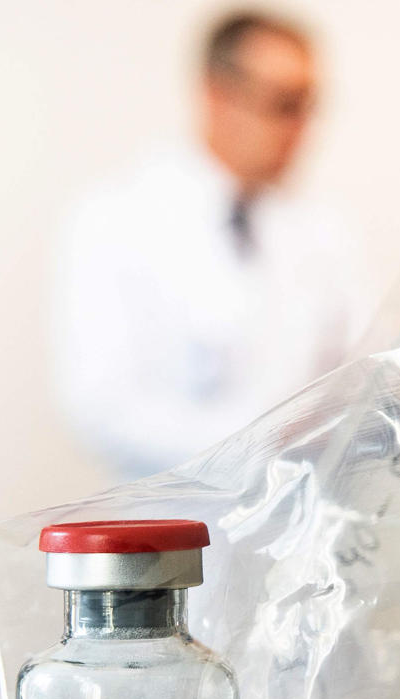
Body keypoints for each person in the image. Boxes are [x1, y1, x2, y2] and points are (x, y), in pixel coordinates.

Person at [54, 9, 364, 478]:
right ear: (217, 95)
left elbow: (362, 364)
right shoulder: (113, 221)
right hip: (178, 514)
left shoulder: (322, 229)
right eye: (283, 104)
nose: (301, 129)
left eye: (308, 105)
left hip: (306, 509)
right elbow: (103, 410)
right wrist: (265, 441)